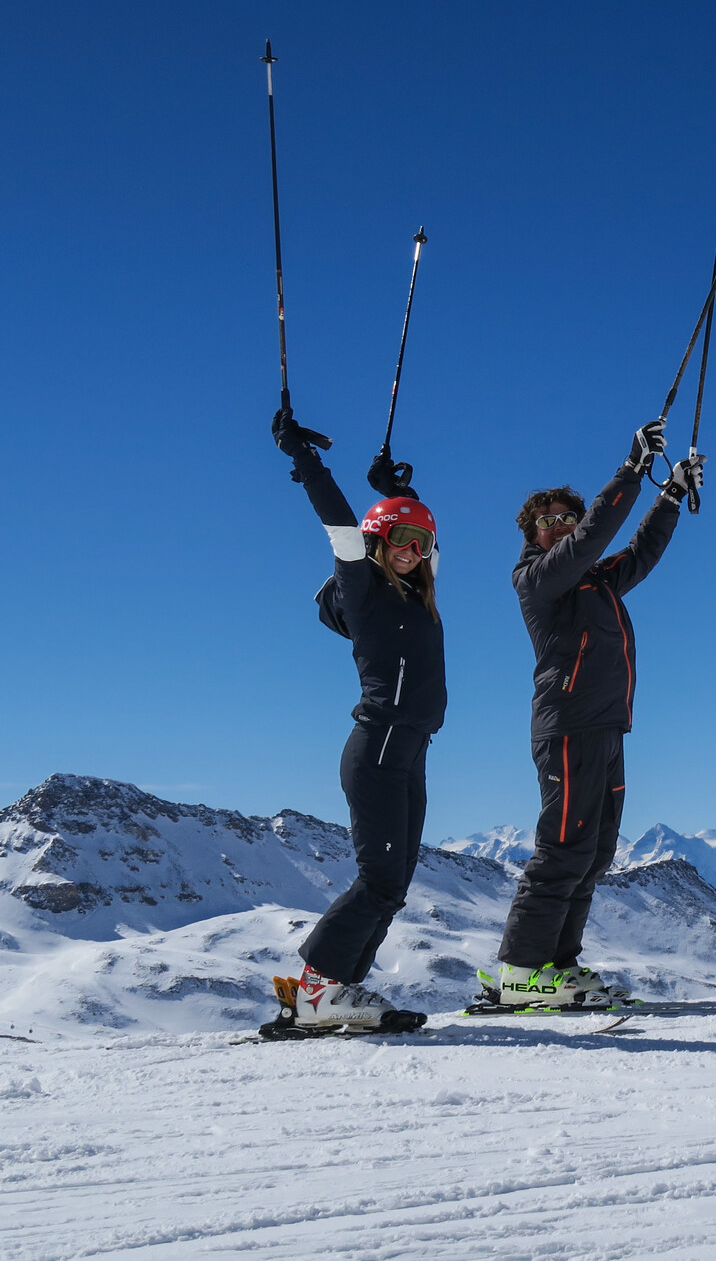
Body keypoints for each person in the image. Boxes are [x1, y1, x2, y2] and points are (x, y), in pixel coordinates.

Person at [479, 423, 704, 1007]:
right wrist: (632, 469)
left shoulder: (596, 582)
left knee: (595, 851)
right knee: (563, 846)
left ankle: (557, 964)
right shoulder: (537, 579)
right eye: (548, 520)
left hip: (605, 725)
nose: (559, 526)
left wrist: (671, 493)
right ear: (531, 532)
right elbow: (593, 537)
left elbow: (641, 552)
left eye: (565, 518)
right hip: (569, 724)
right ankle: (520, 972)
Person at [272, 409, 443, 1031]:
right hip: (376, 748)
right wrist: (305, 459)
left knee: (393, 884)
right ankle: (315, 990)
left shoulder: (422, 593)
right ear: (377, 545)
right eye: (399, 540)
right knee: (377, 878)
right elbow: (340, 525)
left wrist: (398, 493)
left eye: (420, 544)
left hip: (412, 750)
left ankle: (336, 990)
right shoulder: (363, 593)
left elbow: (424, 533)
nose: (411, 551)